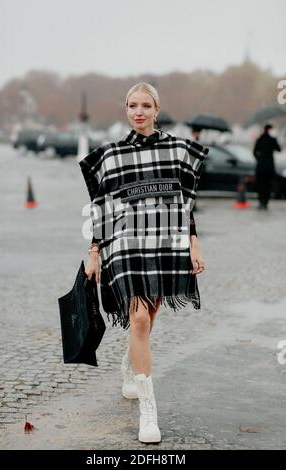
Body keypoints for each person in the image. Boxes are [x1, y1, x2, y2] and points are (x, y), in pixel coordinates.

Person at [79, 82, 209, 444]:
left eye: (145, 106)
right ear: (126, 109)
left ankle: (129, 364)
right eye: (132, 105)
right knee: (137, 317)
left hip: (164, 240)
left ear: (156, 109)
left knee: (149, 315)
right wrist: (94, 253)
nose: (139, 111)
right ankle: (148, 409)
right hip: (124, 243)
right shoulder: (110, 155)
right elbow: (101, 210)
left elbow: (186, 205)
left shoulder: (177, 150)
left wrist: (193, 245)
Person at [253, 123, 281, 210]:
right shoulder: (272, 140)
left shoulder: (260, 139)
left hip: (260, 166)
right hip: (269, 166)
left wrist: (259, 159)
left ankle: (261, 202)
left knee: (260, 184)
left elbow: (254, 152)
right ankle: (265, 202)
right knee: (267, 185)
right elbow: (279, 149)